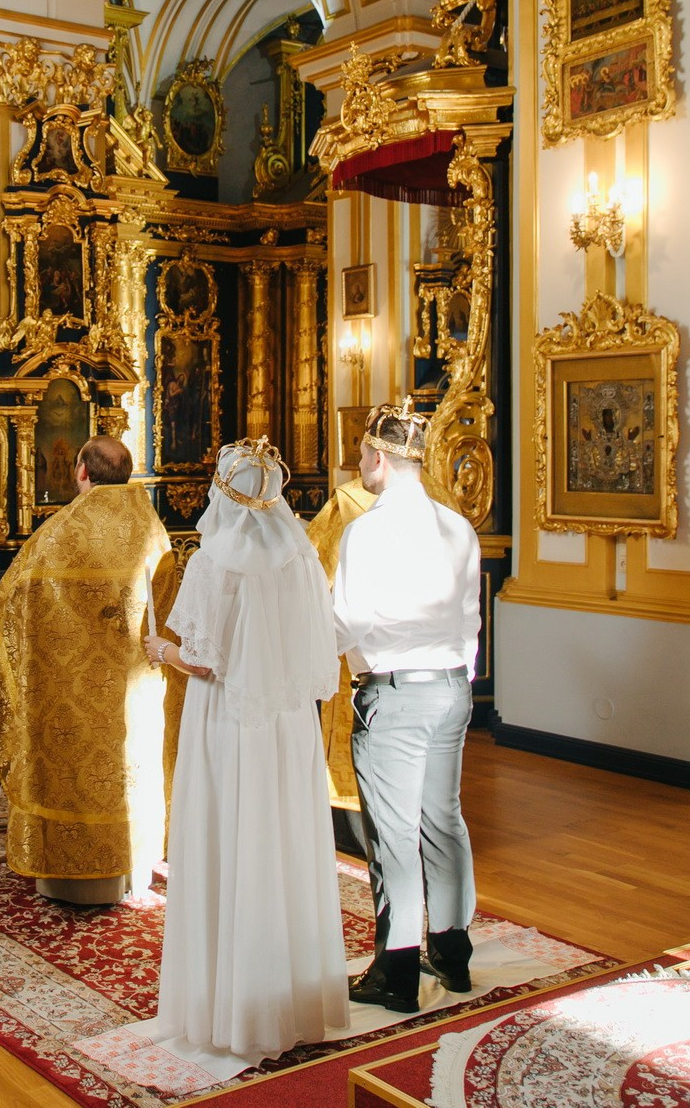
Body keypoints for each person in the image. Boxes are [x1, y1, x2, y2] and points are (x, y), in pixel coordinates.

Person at [142, 436, 349, 1077]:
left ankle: (232, 1011)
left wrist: (161, 652)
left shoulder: (214, 560)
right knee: (281, 841)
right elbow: (319, 644)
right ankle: (291, 1001)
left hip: (230, 720)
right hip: (286, 722)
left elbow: (203, 660)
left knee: (233, 839)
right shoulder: (301, 555)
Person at [333, 399, 481, 1015]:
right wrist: (456, 675)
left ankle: (395, 973)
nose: (360, 464)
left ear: (381, 459)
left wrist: (306, 651)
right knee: (443, 821)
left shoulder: (367, 531)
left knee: (393, 835)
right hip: (451, 686)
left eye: (363, 454)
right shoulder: (458, 527)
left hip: (394, 692)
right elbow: (470, 619)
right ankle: (452, 953)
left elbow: (349, 622)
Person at [0, 435, 176, 905]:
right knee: (130, 769)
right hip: (135, 684)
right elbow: (169, 606)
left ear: (82, 471)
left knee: (73, 772)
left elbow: (12, 596)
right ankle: (133, 870)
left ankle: (71, 881)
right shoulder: (152, 527)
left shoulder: (62, 529)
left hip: (67, 686)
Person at [306, 469, 375, 822]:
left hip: (366, 665)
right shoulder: (444, 503)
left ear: (378, 457)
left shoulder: (350, 504)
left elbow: (316, 568)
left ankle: (353, 825)